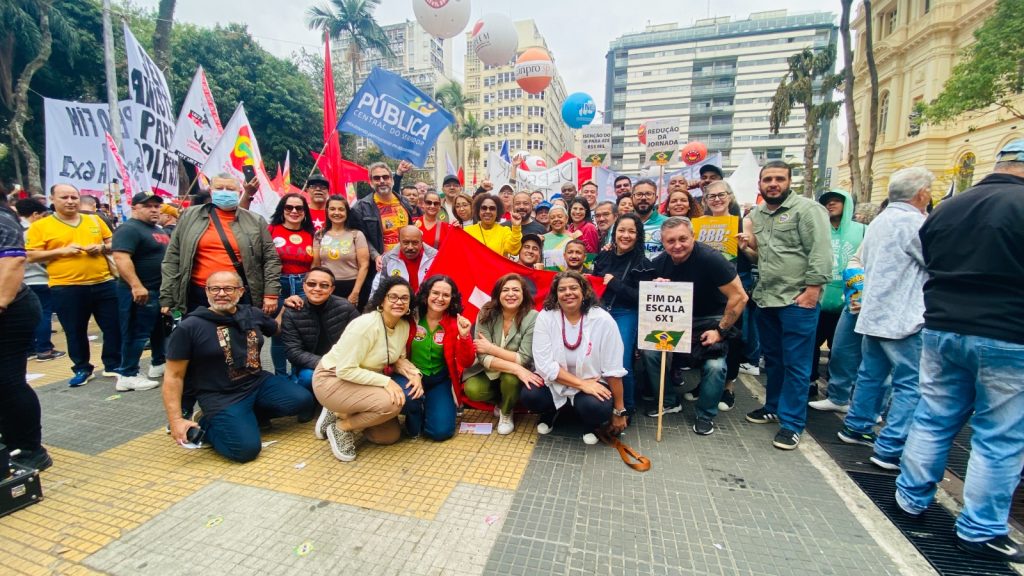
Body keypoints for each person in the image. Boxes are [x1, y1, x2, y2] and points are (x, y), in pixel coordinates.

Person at [894, 140, 1024, 562]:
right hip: (1008, 331)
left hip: (943, 326)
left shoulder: (946, 208)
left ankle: (909, 499)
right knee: (998, 436)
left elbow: (926, 259)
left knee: (932, 417)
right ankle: (980, 528)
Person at [163, 271, 316, 463]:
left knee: (302, 400)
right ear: (207, 291)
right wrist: (176, 420)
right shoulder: (190, 327)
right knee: (245, 451)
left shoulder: (251, 314)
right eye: (214, 288)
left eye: (228, 288)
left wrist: (285, 307)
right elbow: (173, 376)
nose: (221, 293)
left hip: (257, 382)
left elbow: (276, 329)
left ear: (240, 291)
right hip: (220, 395)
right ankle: (207, 422)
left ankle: (247, 418)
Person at [835, 168, 931, 472]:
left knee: (871, 374)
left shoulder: (879, 221)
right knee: (909, 384)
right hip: (904, 316)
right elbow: (934, 262)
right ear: (922, 193)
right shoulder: (917, 223)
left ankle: (856, 425)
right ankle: (890, 447)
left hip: (872, 313)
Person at [737, 161, 831, 450]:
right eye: (767, 179)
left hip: (797, 299)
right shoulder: (758, 214)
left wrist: (813, 289)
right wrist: (748, 249)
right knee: (774, 360)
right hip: (767, 298)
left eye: (779, 179)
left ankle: (791, 423)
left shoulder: (808, 210)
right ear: (760, 185)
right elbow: (762, 258)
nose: (773, 184)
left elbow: (821, 251)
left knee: (797, 364)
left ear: (790, 181)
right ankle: (773, 406)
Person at [645, 217, 748, 435]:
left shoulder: (711, 259)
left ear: (693, 236)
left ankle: (706, 414)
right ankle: (669, 401)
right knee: (651, 352)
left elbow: (740, 297)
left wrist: (720, 331)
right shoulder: (658, 263)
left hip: (711, 319)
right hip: (677, 320)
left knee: (715, 367)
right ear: (663, 242)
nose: (677, 245)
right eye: (670, 241)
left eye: (683, 238)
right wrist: (658, 288)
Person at [312, 277, 422, 462]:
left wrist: (415, 374)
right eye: (393, 297)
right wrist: (386, 381)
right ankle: (341, 426)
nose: (398, 302)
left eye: (404, 298)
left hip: (362, 381)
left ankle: (342, 410)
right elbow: (345, 370)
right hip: (332, 378)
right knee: (392, 403)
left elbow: (398, 360)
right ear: (381, 300)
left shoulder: (403, 326)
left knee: (388, 437)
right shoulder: (366, 325)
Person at [26, 183, 121, 386]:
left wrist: (102, 247)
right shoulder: (40, 226)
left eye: (73, 197)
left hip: (104, 282)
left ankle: (113, 364)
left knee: (113, 326)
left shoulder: (94, 219)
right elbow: (31, 255)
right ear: (53, 200)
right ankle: (82, 368)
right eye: (64, 197)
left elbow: (115, 243)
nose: (70, 201)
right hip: (66, 287)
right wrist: (62, 251)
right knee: (75, 330)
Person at [524, 271, 628, 444]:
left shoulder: (603, 320)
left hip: (592, 382)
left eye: (573, 288)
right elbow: (544, 365)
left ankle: (590, 424)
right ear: (555, 295)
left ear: (584, 291)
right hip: (557, 382)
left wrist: (619, 411)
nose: (568, 293)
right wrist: (582, 384)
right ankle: (550, 412)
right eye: (562, 289)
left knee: (596, 407)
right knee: (531, 395)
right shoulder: (546, 317)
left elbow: (613, 368)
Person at [160, 173, 281, 316]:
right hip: (198, 294)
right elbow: (172, 257)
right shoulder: (190, 216)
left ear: (239, 192)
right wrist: (167, 297)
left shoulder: (255, 221)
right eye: (219, 188)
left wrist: (271, 294)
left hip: (238, 295)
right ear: (211, 191)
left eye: (230, 189)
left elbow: (271, 259)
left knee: (238, 337)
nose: (224, 192)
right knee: (199, 336)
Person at [0, 191, 49, 470]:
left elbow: (13, 262)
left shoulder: (3, 220)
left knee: (7, 381)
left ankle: (30, 449)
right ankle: (11, 439)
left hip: (12, 310)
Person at [463, 274, 541, 434]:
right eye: (505, 290)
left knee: (511, 379)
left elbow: (523, 358)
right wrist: (516, 367)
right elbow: (482, 356)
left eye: (515, 290)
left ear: (523, 294)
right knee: (472, 389)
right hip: (487, 370)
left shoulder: (532, 317)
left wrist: (491, 349)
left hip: (513, 374)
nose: (511, 294)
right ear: (498, 294)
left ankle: (506, 413)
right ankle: (500, 401)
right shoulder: (486, 312)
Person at [696, 180, 748, 411]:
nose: (717, 199)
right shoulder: (697, 224)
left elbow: (755, 257)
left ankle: (728, 387)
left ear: (730, 196)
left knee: (731, 337)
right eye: (711, 196)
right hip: (706, 289)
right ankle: (704, 385)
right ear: (705, 201)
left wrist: (746, 246)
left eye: (721, 195)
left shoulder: (742, 223)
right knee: (706, 338)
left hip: (732, 287)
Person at [593, 213, 652, 415]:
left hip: (625, 313)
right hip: (600, 312)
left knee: (621, 361)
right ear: (614, 232)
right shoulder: (603, 255)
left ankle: (627, 408)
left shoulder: (643, 263)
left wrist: (615, 284)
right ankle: (602, 404)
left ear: (638, 235)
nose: (625, 235)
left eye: (631, 231)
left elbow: (642, 297)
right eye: (621, 230)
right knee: (596, 360)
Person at [111, 193, 170, 392]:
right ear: (134, 207)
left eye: (157, 206)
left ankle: (158, 362)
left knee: (158, 330)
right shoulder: (128, 229)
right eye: (148, 206)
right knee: (136, 333)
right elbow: (121, 258)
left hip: (158, 291)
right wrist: (136, 285)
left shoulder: (157, 229)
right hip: (139, 291)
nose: (154, 210)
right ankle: (128, 373)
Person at [809, 189, 865, 397]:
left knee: (842, 349)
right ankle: (811, 381)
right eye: (827, 202)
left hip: (850, 300)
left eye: (836, 201)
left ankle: (838, 390)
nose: (831, 205)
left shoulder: (862, 230)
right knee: (812, 344)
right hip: (820, 298)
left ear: (847, 204)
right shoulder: (817, 229)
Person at [405, 275, 475, 440]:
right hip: (410, 377)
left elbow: (467, 361)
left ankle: (428, 406)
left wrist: (465, 337)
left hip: (439, 380)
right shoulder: (410, 319)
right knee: (412, 426)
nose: (440, 298)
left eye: (446, 295)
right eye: (435, 293)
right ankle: (416, 411)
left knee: (441, 432)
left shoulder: (454, 323)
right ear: (426, 294)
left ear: (452, 299)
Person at [280, 267, 359, 392]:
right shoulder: (292, 312)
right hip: (309, 366)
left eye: (324, 285)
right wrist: (328, 363)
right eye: (312, 284)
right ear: (304, 286)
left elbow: (360, 339)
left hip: (343, 363)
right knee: (309, 377)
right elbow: (293, 352)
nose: (317, 288)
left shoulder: (346, 308)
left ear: (332, 289)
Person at [351, 161, 415, 304]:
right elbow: (359, 237)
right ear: (370, 182)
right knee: (380, 304)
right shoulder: (361, 207)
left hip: (405, 262)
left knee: (404, 302)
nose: (382, 181)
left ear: (391, 180)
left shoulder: (404, 202)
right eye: (377, 178)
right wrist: (375, 255)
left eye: (385, 177)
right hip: (380, 266)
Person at [267, 193, 315, 377]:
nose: (294, 211)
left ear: (305, 212)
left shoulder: (311, 234)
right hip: (278, 286)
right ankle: (280, 376)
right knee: (278, 333)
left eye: (299, 208)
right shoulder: (271, 230)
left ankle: (297, 375)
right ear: (282, 210)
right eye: (289, 207)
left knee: (300, 334)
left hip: (304, 286)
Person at [15, 198, 64, 362]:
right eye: (43, 216)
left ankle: (30, 349)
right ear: (35, 215)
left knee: (28, 315)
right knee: (44, 314)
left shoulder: (13, 229)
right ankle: (44, 349)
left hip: (19, 280)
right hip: (39, 278)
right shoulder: (33, 230)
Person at [312, 195, 369, 305]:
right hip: (325, 286)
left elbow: (364, 265)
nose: (336, 213)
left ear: (347, 212)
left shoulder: (356, 235)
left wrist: (355, 292)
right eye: (332, 209)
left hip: (351, 286)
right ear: (327, 211)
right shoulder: (319, 235)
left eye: (341, 209)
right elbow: (316, 264)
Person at [372, 226, 437, 294]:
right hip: (399, 303)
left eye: (415, 243)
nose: (410, 247)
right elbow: (378, 288)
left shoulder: (435, 257)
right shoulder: (388, 259)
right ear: (399, 241)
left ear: (421, 242)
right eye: (406, 243)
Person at [464, 194, 522, 258]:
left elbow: (513, 250)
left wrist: (516, 227)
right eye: (484, 208)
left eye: (492, 208)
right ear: (478, 211)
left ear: (497, 212)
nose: (488, 211)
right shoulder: (467, 231)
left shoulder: (504, 231)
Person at [632, 179, 667, 261]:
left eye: (648, 194)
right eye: (639, 194)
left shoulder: (668, 223)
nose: (643, 198)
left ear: (656, 198)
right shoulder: (620, 224)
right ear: (632, 197)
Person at [541, 205, 572, 270]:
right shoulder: (542, 239)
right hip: (547, 276)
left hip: (567, 277)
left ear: (566, 219)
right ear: (549, 220)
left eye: (560, 216)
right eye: (552, 218)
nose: (556, 219)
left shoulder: (573, 238)